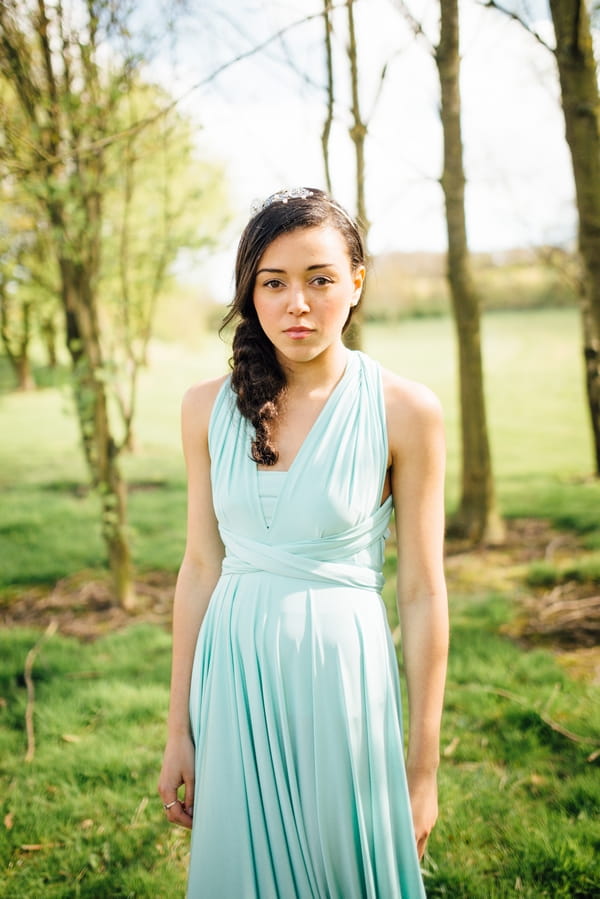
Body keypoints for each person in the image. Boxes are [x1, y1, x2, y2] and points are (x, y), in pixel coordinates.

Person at [158, 187, 449, 898]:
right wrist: (178, 729)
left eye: (320, 279)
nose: (298, 303)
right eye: (274, 282)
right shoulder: (205, 407)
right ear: (250, 293)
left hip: (342, 679)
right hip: (234, 682)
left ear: (355, 281)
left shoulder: (406, 410)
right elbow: (200, 567)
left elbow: (422, 590)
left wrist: (423, 765)